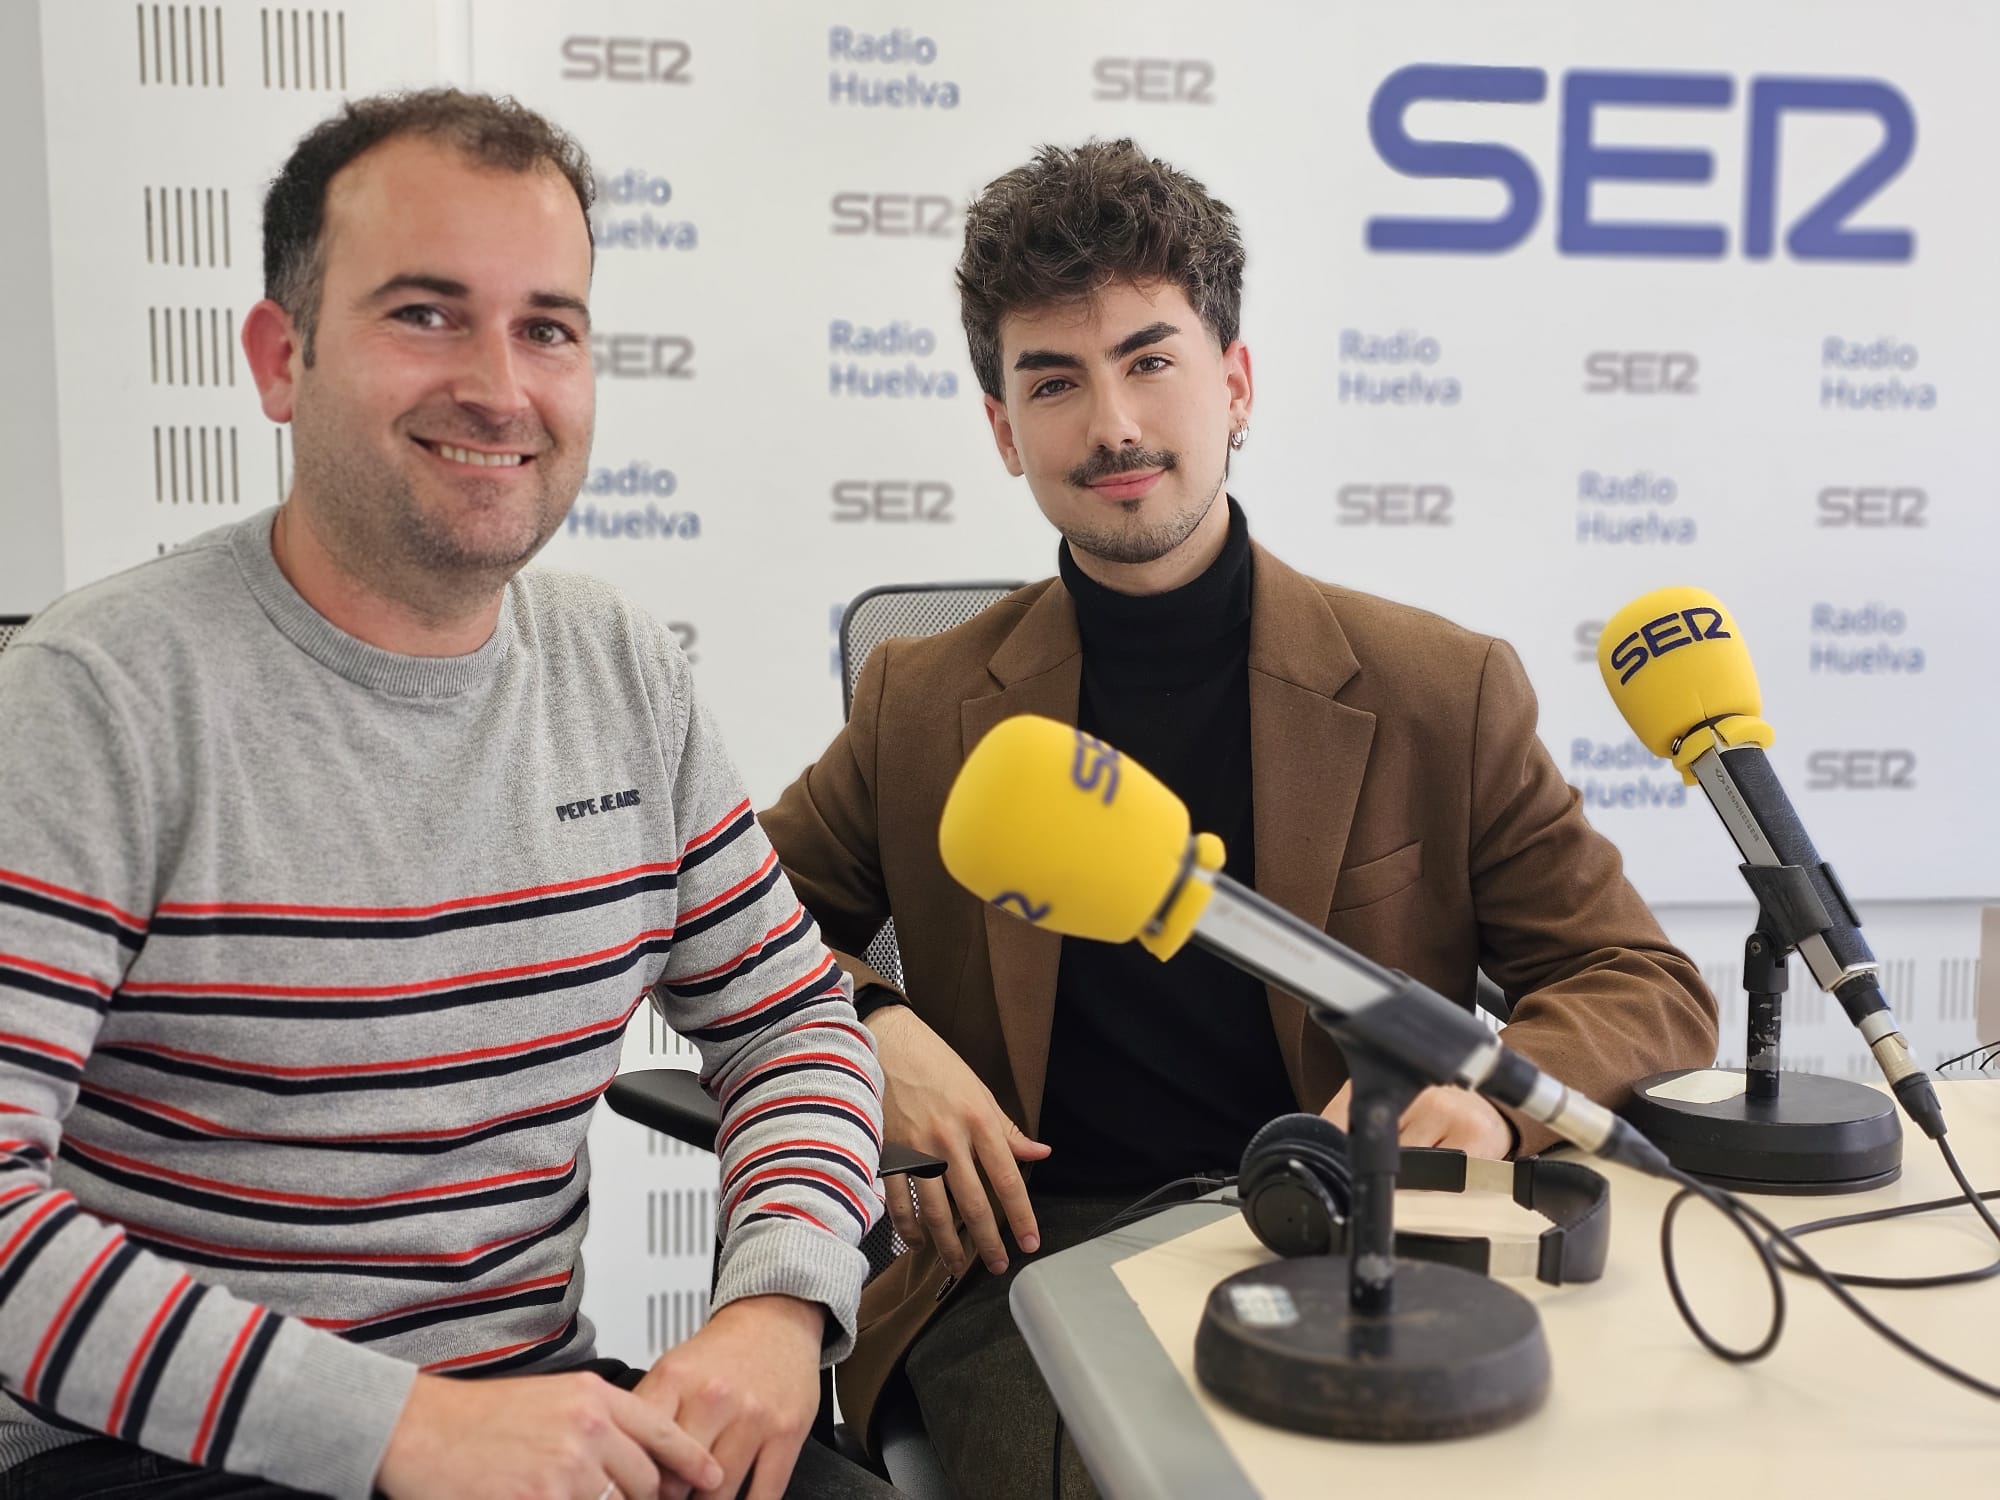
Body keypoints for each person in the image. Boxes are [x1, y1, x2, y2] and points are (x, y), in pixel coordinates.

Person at [759, 138, 1719, 1496]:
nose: (1114, 428)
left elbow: (1641, 981)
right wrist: (870, 1025)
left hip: (1356, 1229)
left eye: (1151, 361)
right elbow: (728, 920)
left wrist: (1485, 1102)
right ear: (1000, 429)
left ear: (1236, 382)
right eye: (1056, 382)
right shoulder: (924, 699)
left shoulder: (1439, 689)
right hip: (1032, 1269)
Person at [0, 90, 896, 1500]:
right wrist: (406, 1430)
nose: (500, 385)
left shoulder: (618, 670)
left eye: (547, 327)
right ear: (280, 359)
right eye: (425, 314)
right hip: (156, 1451)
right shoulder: (100, 695)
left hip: (533, 1422)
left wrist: (778, 1302)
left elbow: (791, 1019)